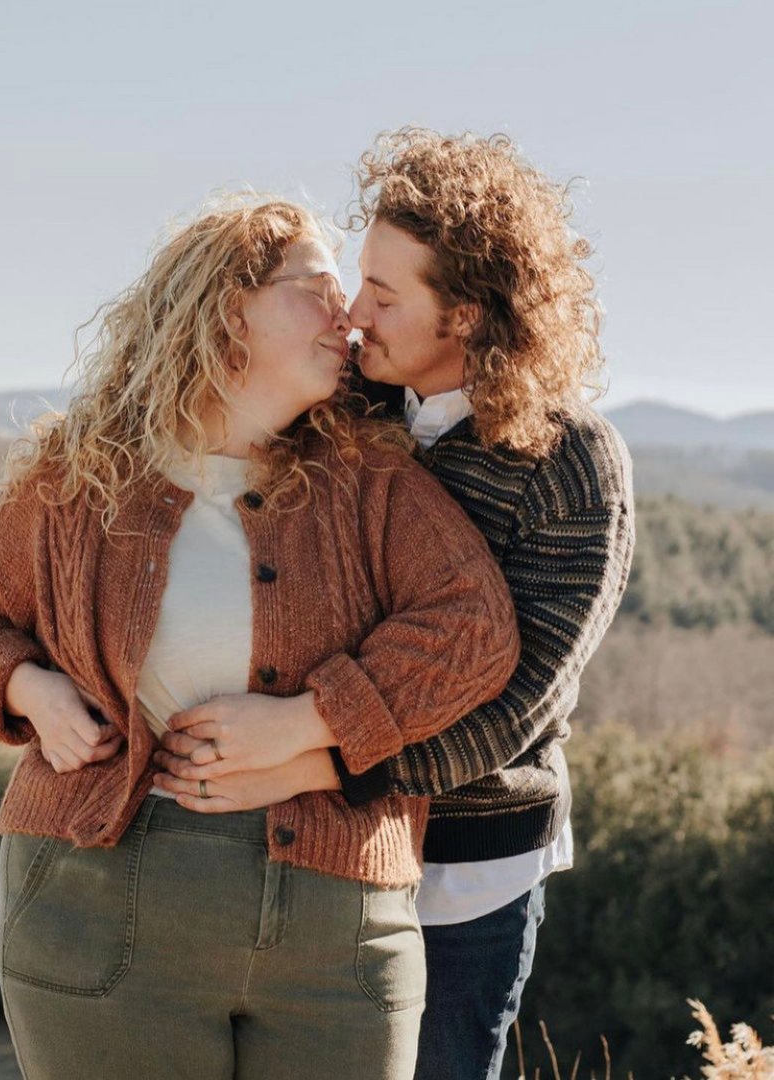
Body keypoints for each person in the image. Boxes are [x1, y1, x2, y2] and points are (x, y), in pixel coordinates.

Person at [0, 196, 520, 1080]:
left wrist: (316, 719)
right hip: (100, 901)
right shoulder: (80, 477)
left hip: (341, 926)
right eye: (318, 287)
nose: (348, 313)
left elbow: (474, 630)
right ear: (226, 306)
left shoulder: (371, 479)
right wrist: (29, 691)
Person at [156, 132, 635, 1080]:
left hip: (466, 868)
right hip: (317, 845)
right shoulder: (349, 412)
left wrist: (310, 755)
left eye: (383, 293)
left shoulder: (572, 463)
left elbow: (518, 705)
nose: (353, 310)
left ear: (463, 312)